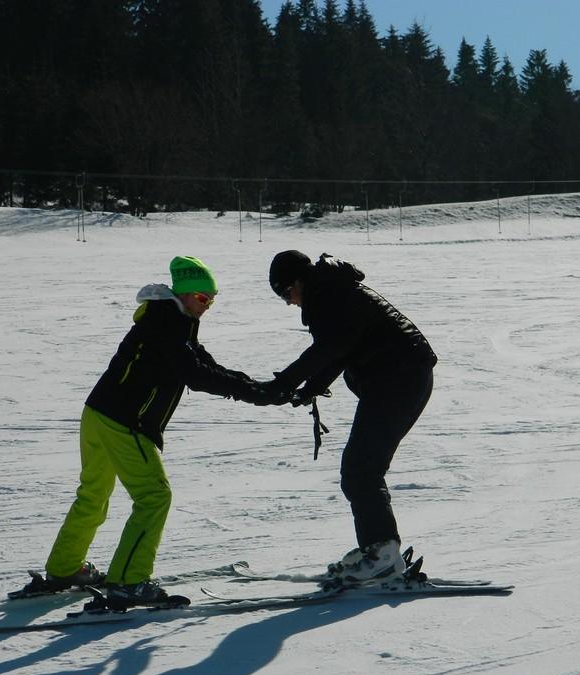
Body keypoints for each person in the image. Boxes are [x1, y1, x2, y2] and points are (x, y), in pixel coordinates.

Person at [24, 256, 264, 608]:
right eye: (202, 298)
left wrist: (253, 386)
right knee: (154, 496)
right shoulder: (168, 323)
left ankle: (64, 568)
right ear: (182, 294)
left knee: (93, 494)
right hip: (125, 420)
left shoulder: (169, 319)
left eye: (212, 299)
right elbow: (195, 375)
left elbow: (202, 363)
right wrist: (254, 393)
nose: (207, 306)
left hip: (98, 412)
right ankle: (129, 581)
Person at [257, 250, 438, 583]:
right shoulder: (330, 290)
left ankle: (382, 553)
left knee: (360, 469)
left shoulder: (328, 294)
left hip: (399, 380)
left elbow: (330, 348)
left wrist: (281, 384)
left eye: (285, 293)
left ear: (298, 280)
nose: (288, 302)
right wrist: (311, 387)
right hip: (399, 379)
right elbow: (339, 349)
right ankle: (379, 549)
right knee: (360, 468)